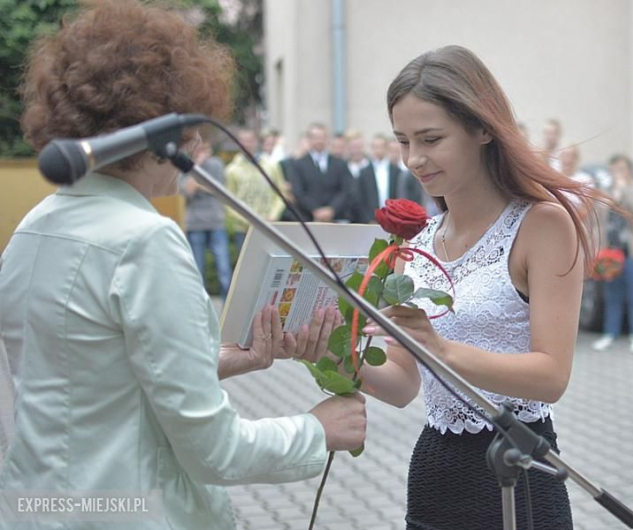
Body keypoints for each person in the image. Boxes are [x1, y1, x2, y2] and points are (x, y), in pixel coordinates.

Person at [0, 2, 366, 528]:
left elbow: (92, 377)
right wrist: (316, 428)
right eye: (194, 124)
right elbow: (212, 452)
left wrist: (225, 360)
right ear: (161, 135)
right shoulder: (145, 240)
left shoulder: (33, 228)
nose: (201, 142)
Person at [354, 45, 599, 529]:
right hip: (434, 472)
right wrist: (328, 352)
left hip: (519, 467)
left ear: (484, 128)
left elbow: (552, 376)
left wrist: (439, 349)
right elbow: (403, 384)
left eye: (431, 139)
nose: (414, 160)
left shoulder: (541, 224)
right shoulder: (417, 242)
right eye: (403, 141)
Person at [591, 155, 633, 354]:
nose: (618, 173)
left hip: (632, 250)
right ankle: (610, 333)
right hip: (611, 252)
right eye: (614, 169)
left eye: (621, 169)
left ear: (630, 170)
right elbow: (599, 219)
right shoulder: (606, 191)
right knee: (612, 295)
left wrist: (624, 191)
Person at [180, 140, 233, 299]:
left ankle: (227, 310)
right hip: (195, 223)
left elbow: (220, 190)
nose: (201, 152)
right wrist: (197, 166)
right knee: (197, 272)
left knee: (224, 270)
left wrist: (199, 186)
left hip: (216, 221)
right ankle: (201, 310)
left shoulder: (216, 164)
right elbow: (187, 190)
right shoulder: (185, 166)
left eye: (204, 148)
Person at [225, 128, 288, 253]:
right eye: (243, 141)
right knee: (246, 268)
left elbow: (281, 194)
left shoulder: (271, 166)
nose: (247, 144)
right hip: (243, 230)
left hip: (269, 226)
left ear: (257, 142)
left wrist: (273, 216)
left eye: (250, 141)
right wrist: (247, 220)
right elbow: (228, 202)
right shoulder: (231, 170)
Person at [289, 123, 356, 222]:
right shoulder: (298, 165)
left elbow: (346, 190)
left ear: (327, 139)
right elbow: (298, 192)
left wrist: (332, 209)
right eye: (315, 137)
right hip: (309, 219)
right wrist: (315, 210)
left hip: (337, 219)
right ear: (309, 139)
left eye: (322, 137)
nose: (319, 141)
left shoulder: (340, 164)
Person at [353, 134, 410, 223]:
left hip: (393, 220)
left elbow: (400, 196)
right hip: (370, 220)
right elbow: (360, 199)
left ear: (387, 148)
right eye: (375, 147)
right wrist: (369, 219)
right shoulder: (364, 173)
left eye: (381, 147)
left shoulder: (396, 171)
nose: (378, 150)